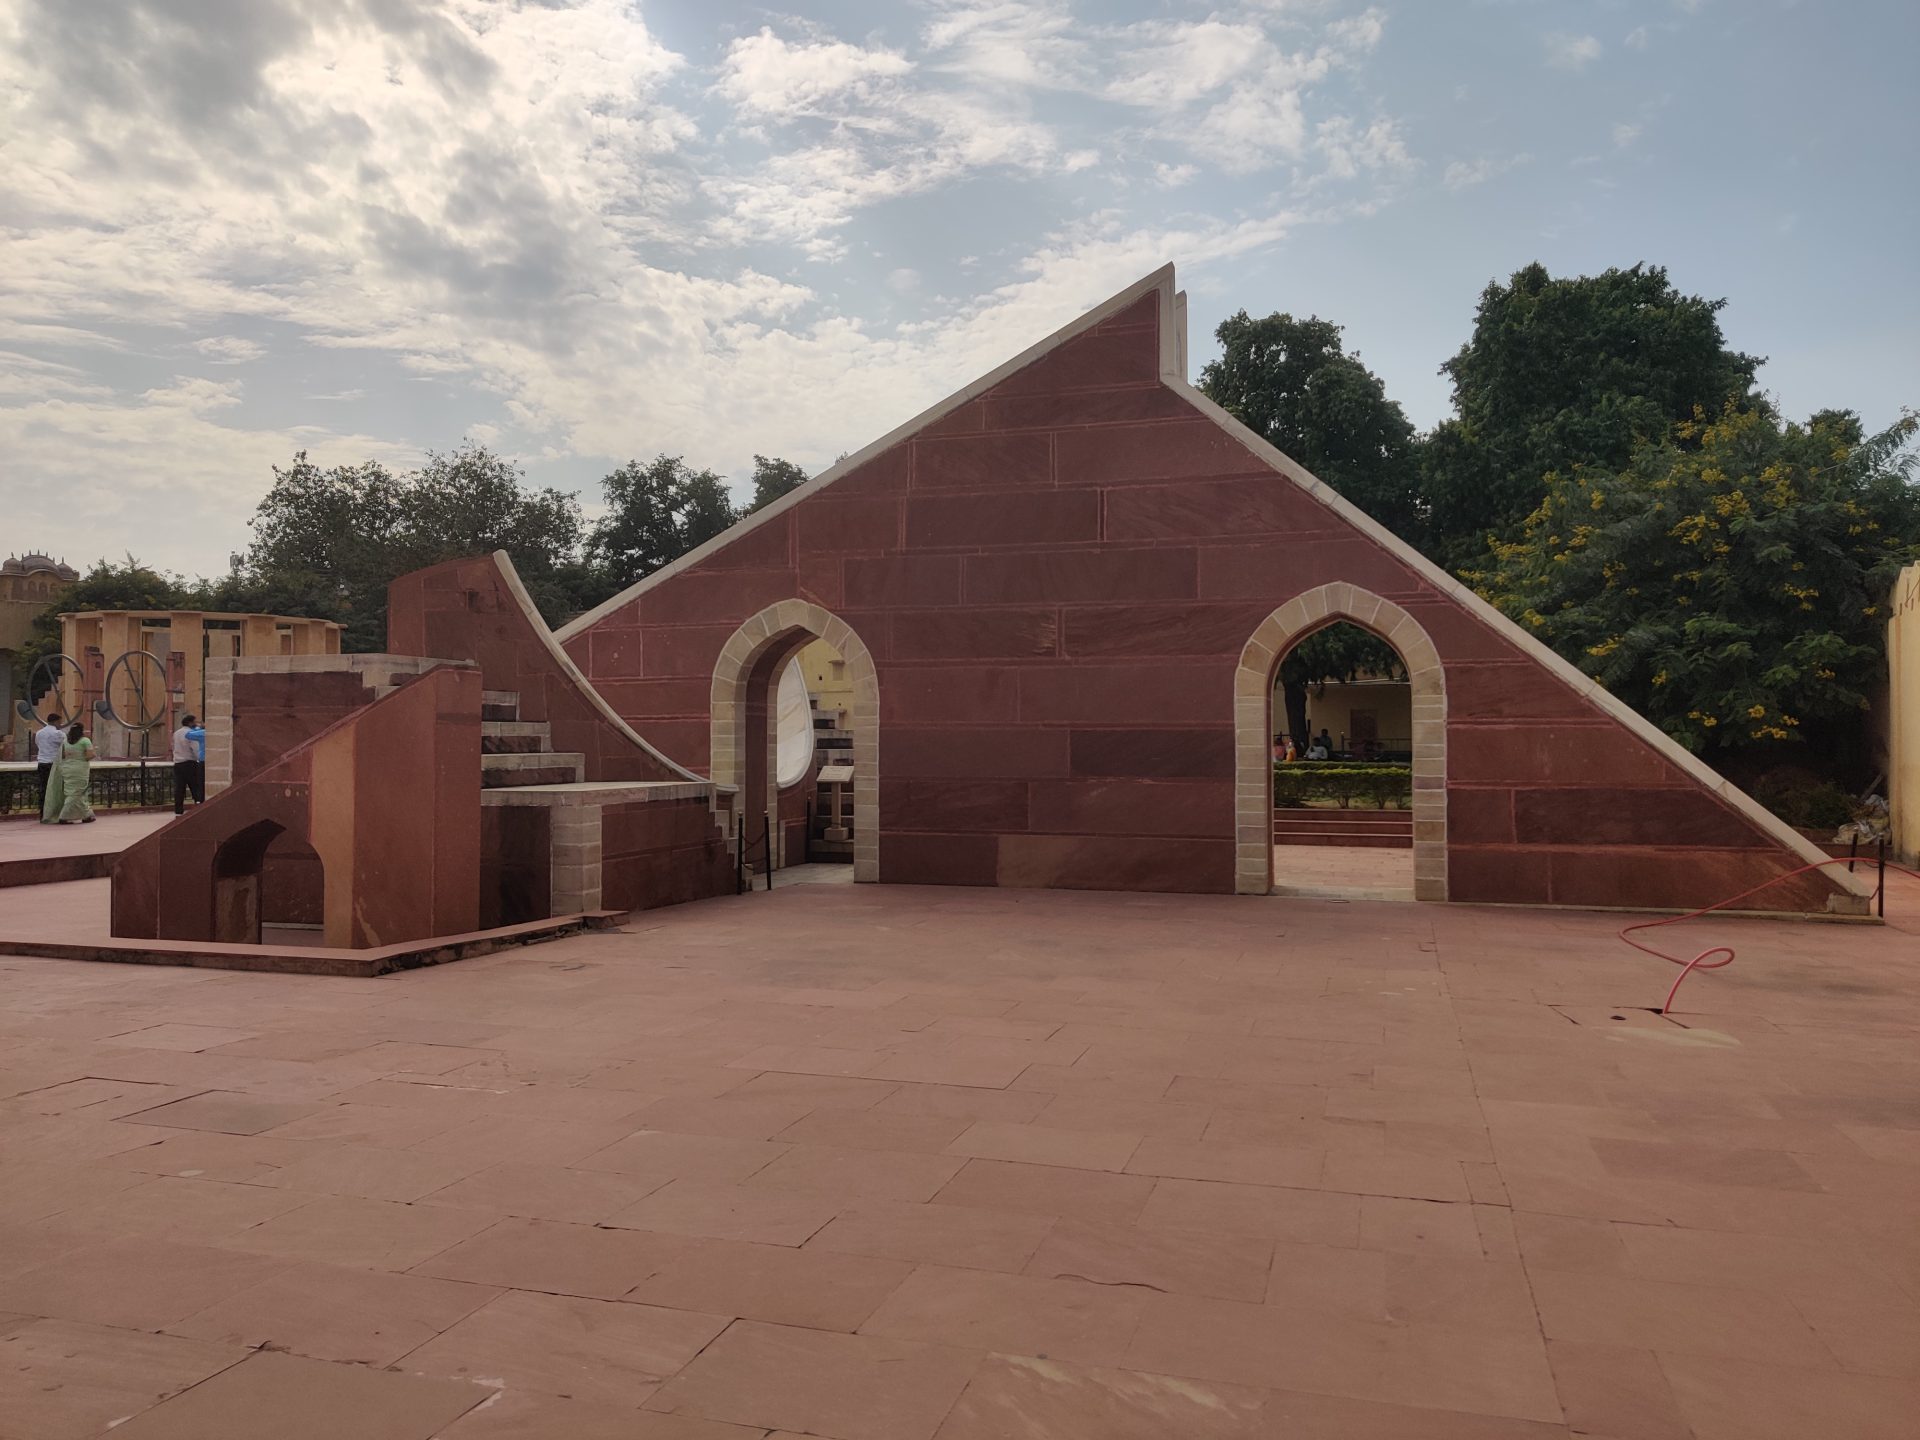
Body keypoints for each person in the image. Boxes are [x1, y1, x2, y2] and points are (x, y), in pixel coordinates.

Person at [41, 721, 95, 825]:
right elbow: (90, 755)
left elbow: (63, 756)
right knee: (77, 792)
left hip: (67, 769)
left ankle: (86, 815)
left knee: (73, 792)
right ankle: (64, 816)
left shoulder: (65, 741)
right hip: (80, 769)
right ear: (81, 730)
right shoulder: (85, 741)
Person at [171, 713, 206, 813]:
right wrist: (199, 759)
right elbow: (195, 748)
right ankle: (199, 808)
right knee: (195, 787)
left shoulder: (176, 733)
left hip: (178, 763)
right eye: (194, 722)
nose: (196, 724)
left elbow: (173, 746)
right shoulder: (191, 733)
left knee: (179, 788)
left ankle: (178, 810)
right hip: (190, 763)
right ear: (190, 723)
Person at [32, 711, 64, 809]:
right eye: (60, 722)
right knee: (54, 788)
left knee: (43, 787)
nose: (60, 725)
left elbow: (38, 744)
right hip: (53, 764)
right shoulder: (58, 733)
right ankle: (52, 810)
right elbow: (65, 746)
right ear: (56, 722)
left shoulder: (39, 733)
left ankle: (42, 809)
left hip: (42, 763)